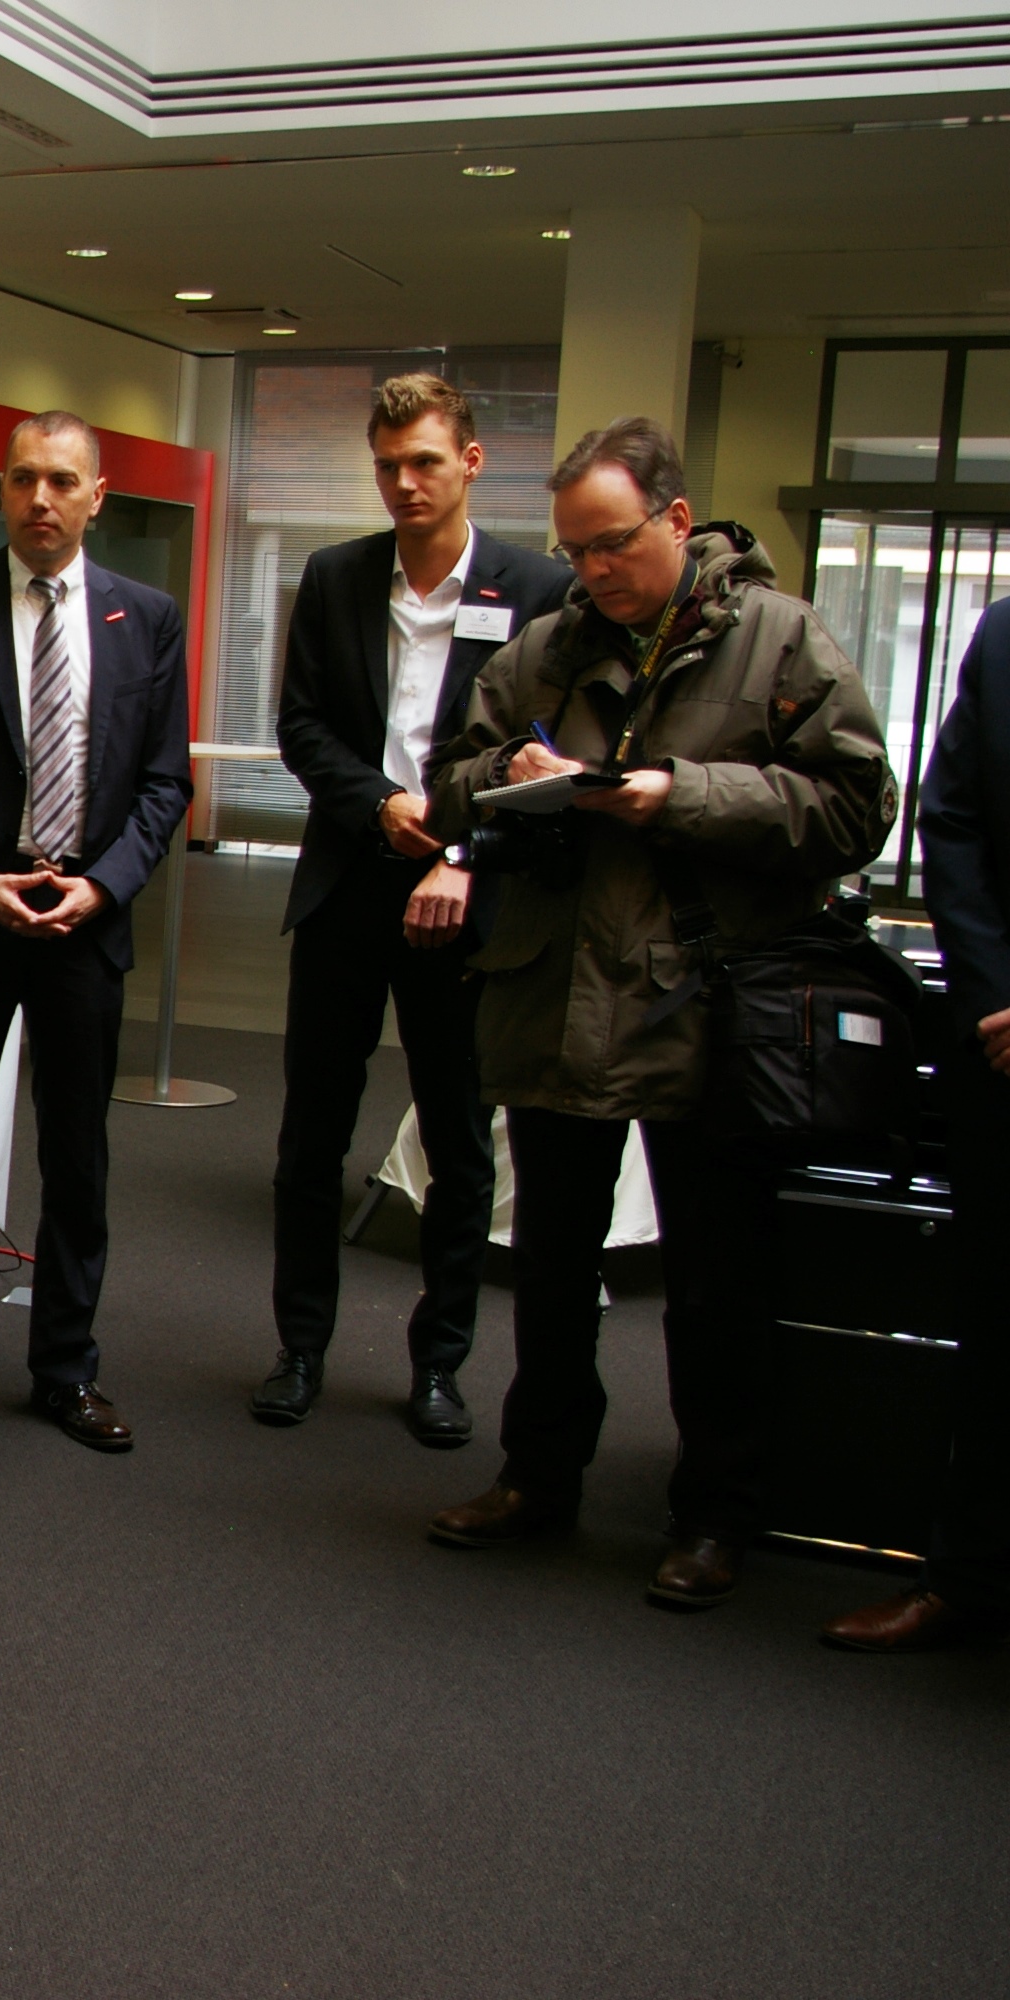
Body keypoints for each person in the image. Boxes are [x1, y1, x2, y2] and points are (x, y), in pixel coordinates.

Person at [420, 417, 891, 1610]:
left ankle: (713, 1512)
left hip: (707, 1000)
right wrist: (507, 779)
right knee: (549, 1264)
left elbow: (853, 806)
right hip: (553, 992)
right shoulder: (545, 646)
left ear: (676, 521)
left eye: (613, 544)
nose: (592, 570)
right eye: (573, 550)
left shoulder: (778, 637)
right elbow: (448, 783)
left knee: (715, 1280)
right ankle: (537, 1476)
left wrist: (676, 794)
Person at [255, 374, 572, 1443]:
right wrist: (378, 804)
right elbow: (302, 725)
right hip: (349, 879)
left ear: (470, 462)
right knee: (311, 1137)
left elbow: (539, 756)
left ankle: (439, 1362)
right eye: (387, 464)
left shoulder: (536, 587)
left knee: (458, 1143)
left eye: (424, 461)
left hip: (466, 895)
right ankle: (300, 1347)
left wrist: (465, 851)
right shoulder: (336, 575)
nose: (403, 482)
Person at [0, 411, 193, 1457]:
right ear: (1, 490)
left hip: (83, 927)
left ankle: (65, 1368)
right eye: (21, 479)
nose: (39, 498)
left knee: (77, 1160)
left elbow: (163, 783)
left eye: (60, 480)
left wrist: (103, 887)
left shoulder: (146, 619)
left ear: (97, 496)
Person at [822, 597, 1010, 1652]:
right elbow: (955, 823)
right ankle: (966, 1578)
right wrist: (995, 997)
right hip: (1002, 1044)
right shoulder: (1004, 634)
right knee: (993, 1331)